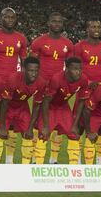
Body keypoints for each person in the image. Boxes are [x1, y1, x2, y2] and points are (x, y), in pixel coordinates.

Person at [0, 7, 27, 164]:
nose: (10, 20)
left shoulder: (21, 38)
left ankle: (7, 162)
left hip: (13, 86)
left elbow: (24, 64)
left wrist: (21, 82)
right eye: (6, 17)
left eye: (12, 17)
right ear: (1, 18)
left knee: (10, 124)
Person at [31, 12, 74, 164]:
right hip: (42, 87)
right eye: (54, 21)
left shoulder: (68, 44)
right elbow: (32, 66)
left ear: (62, 25)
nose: (57, 24)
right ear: (48, 23)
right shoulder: (38, 42)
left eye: (59, 22)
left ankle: (53, 159)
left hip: (60, 89)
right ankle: (36, 158)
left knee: (59, 124)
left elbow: (71, 68)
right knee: (38, 122)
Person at [74, 20, 101, 164]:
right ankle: (78, 159)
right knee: (80, 125)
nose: (96, 29)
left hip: (100, 92)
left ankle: (98, 161)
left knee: (100, 125)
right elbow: (75, 70)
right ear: (87, 29)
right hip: (84, 90)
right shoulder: (79, 47)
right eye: (93, 26)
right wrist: (86, 82)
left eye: (99, 26)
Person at [34, 57, 89, 164]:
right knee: (43, 135)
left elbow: (81, 102)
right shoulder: (56, 79)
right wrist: (45, 125)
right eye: (75, 69)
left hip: (63, 107)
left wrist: (75, 124)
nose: (78, 72)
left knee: (74, 134)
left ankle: (75, 167)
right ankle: (37, 165)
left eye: (80, 69)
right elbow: (45, 102)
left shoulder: (83, 79)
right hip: (50, 107)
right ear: (67, 69)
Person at [0, 56, 46, 164]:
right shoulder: (13, 79)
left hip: (22, 107)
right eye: (30, 70)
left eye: (36, 71)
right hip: (7, 107)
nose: (33, 74)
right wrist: (2, 126)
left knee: (28, 135)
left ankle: (25, 167)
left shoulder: (41, 83)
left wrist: (30, 127)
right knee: (0, 134)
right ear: (24, 69)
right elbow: (4, 102)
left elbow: (36, 106)